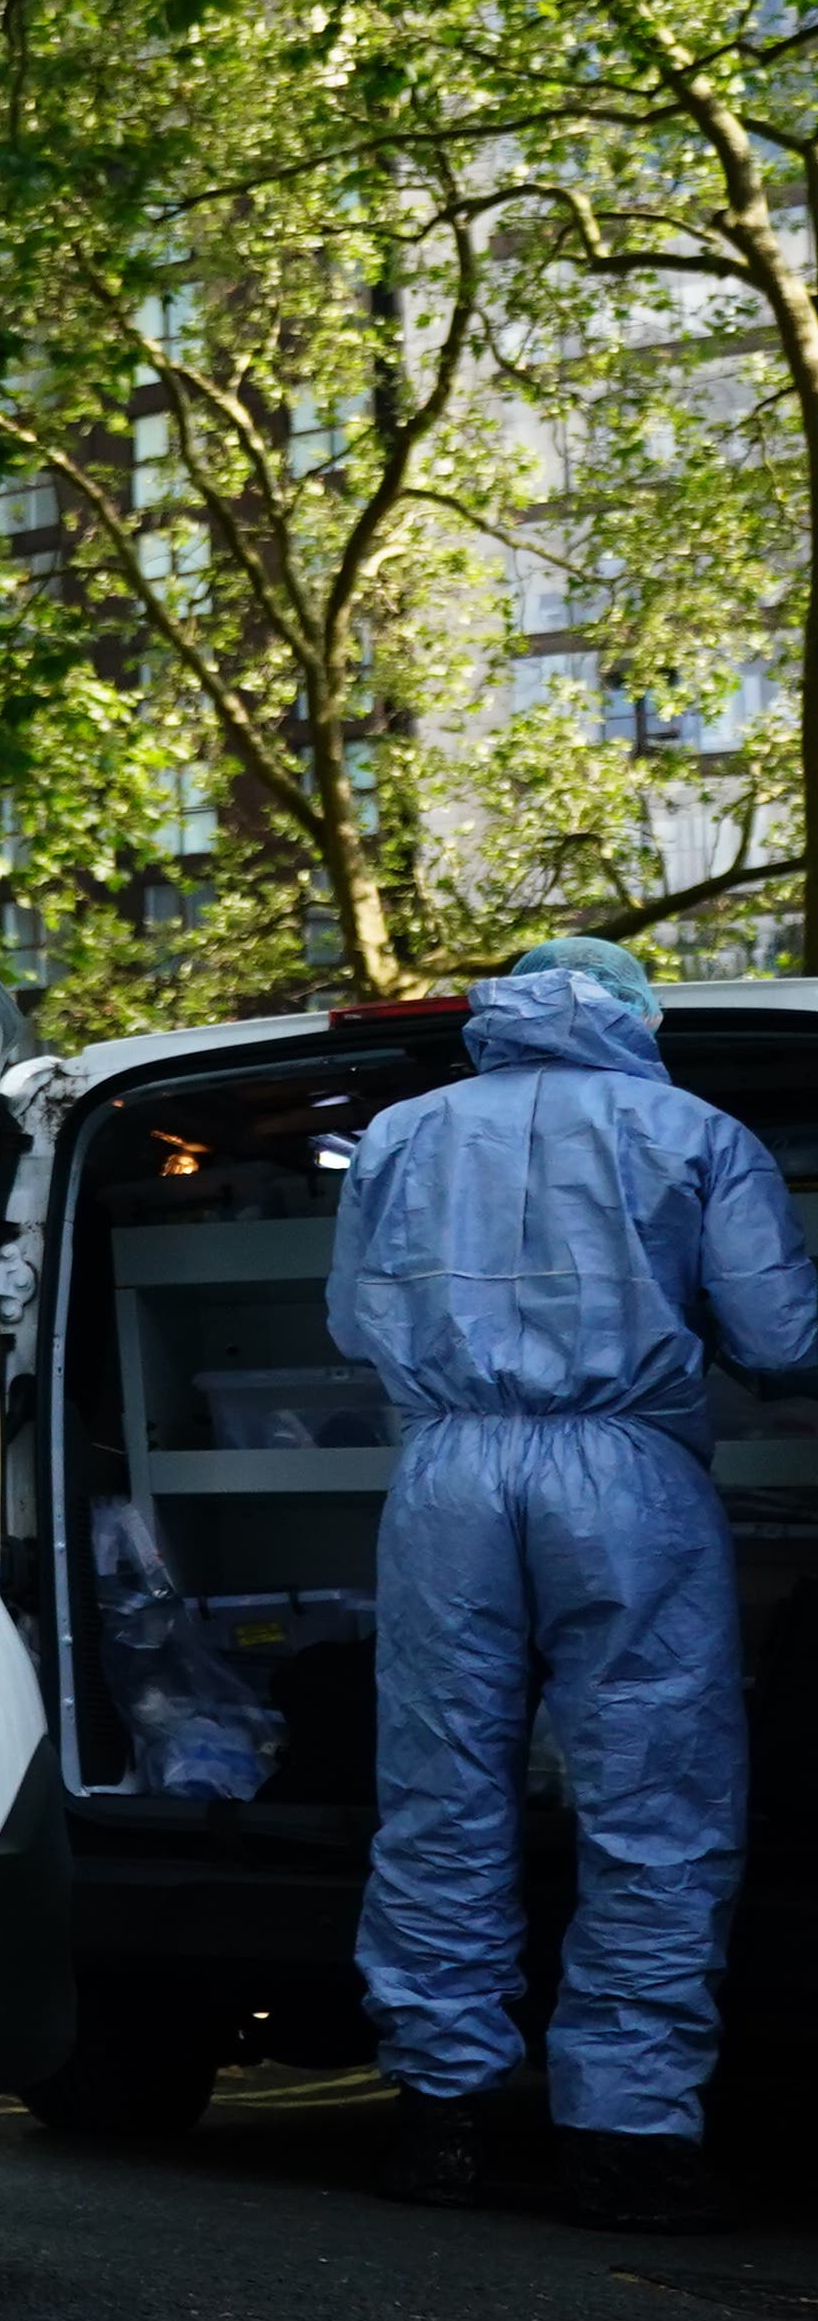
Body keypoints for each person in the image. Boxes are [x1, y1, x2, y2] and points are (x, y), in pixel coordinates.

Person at [333, 934, 816, 2233]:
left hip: (446, 1474)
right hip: (627, 1475)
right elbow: (780, 1337)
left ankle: (444, 2120)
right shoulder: (697, 1133)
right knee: (655, 1792)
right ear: (635, 1013)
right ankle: (630, 2138)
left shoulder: (399, 1136)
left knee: (440, 1786)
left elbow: (349, 1320)